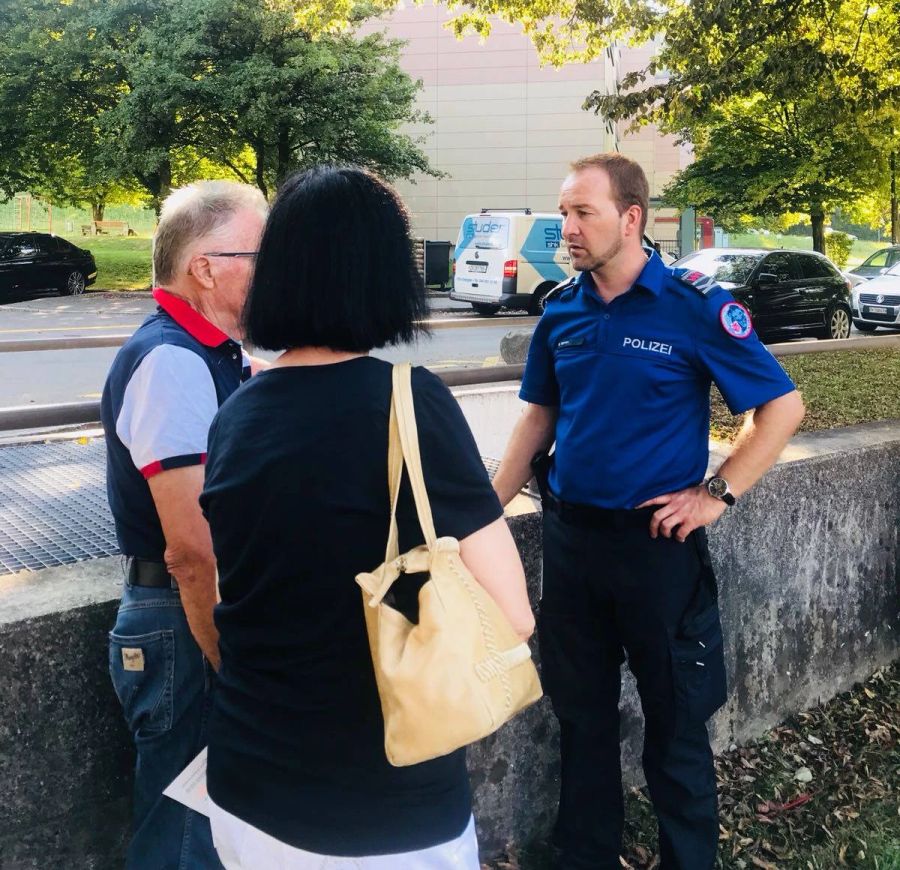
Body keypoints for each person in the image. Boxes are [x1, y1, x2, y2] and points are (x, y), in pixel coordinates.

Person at [199, 164, 535, 870]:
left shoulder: (236, 413)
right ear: (384, 273)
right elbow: (513, 612)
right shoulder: (411, 403)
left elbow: (235, 589)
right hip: (383, 804)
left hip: (243, 786)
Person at [491, 153, 806, 870]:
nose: (566, 227)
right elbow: (539, 418)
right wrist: (488, 510)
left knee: (675, 722)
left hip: (656, 552)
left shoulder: (693, 307)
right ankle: (587, 855)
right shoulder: (561, 310)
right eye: (563, 211)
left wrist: (715, 494)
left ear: (631, 218)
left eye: (582, 212)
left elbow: (782, 407)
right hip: (572, 545)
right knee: (581, 717)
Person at [100, 180, 268, 869]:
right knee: (182, 833)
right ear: (205, 267)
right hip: (184, 619)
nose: (275, 273)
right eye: (263, 255)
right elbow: (192, 549)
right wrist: (230, 658)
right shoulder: (172, 362)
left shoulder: (209, 355)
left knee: (203, 821)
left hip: (183, 617)